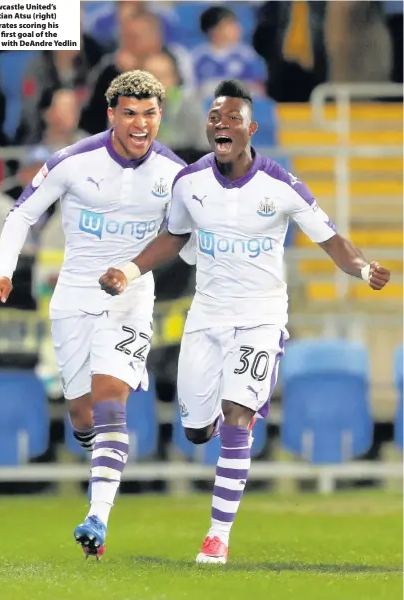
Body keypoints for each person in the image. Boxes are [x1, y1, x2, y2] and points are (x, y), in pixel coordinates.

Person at [98, 79, 391, 564]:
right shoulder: (189, 183)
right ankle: (239, 408)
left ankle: (217, 536)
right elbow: (173, 237)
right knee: (195, 431)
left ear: (251, 129)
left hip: (260, 318)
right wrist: (128, 271)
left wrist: (362, 268)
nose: (221, 124)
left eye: (232, 117)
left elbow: (331, 239)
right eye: (215, 117)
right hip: (207, 318)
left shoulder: (281, 185)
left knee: (236, 418)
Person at [0, 70, 190, 559]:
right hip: (74, 297)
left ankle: (97, 516)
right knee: (82, 414)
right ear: (112, 115)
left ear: (160, 115)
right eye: (131, 113)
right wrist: (3, 269)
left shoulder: (175, 174)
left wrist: (133, 269)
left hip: (131, 299)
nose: (141, 124)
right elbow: (22, 214)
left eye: (150, 113)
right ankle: (91, 446)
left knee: (109, 401)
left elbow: (180, 232)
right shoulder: (73, 161)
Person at [193, 6, 267, 100]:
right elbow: (192, 89)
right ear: (213, 30)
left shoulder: (247, 55)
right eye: (229, 24)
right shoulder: (197, 58)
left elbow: (259, 88)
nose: (237, 28)